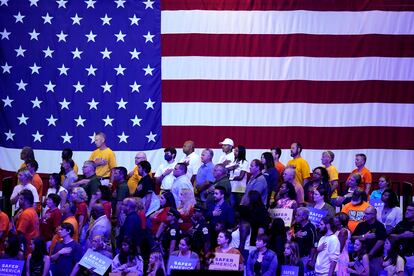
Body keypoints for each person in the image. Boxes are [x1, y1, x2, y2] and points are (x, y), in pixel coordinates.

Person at [352, 206, 387, 276]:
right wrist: (364, 237)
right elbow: (353, 237)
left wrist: (370, 254)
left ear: (374, 215)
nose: (365, 215)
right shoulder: (361, 225)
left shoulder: (380, 226)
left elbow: (381, 241)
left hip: (375, 257)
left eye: (367, 214)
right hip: (360, 257)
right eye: (365, 213)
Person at [390, 203, 414, 276]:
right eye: (406, 209)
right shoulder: (402, 223)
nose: (406, 211)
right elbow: (391, 236)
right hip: (400, 257)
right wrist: (402, 235)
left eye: (410, 210)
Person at [15, 189, 40, 255]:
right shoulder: (32, 211)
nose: (18, 201)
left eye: (20, 199)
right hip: (33, 248)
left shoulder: (26, 214)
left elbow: (21, 235)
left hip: (27, 250)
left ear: (26, 201)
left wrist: (21, 250)